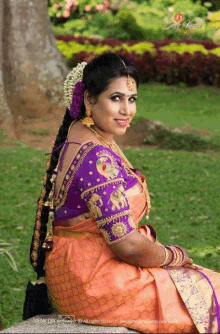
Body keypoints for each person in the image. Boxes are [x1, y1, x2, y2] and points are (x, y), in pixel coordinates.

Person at [30, 52, 220, 333]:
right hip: (94, 279)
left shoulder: (82, 132)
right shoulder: (97, 157)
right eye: (116, 98)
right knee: (213, 296)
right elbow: (127, 246)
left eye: (132, 100)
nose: (127, 110)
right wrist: (172, 255)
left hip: (80, 268)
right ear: (89, 99)